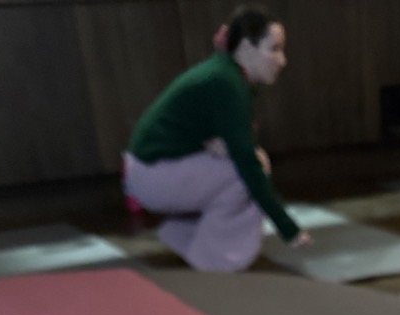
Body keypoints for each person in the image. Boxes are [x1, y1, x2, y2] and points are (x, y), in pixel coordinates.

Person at [123, 5, 311, 271]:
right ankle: (215, 260)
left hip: (149, 170)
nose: (282, 60)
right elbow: (248, 165)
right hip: (150, 176)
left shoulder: (228, 73)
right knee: (246, 170)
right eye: (274, 49)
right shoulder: (226, 83)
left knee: (251, 161)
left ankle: (193, 240)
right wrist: (288, 228)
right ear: (246, 47)